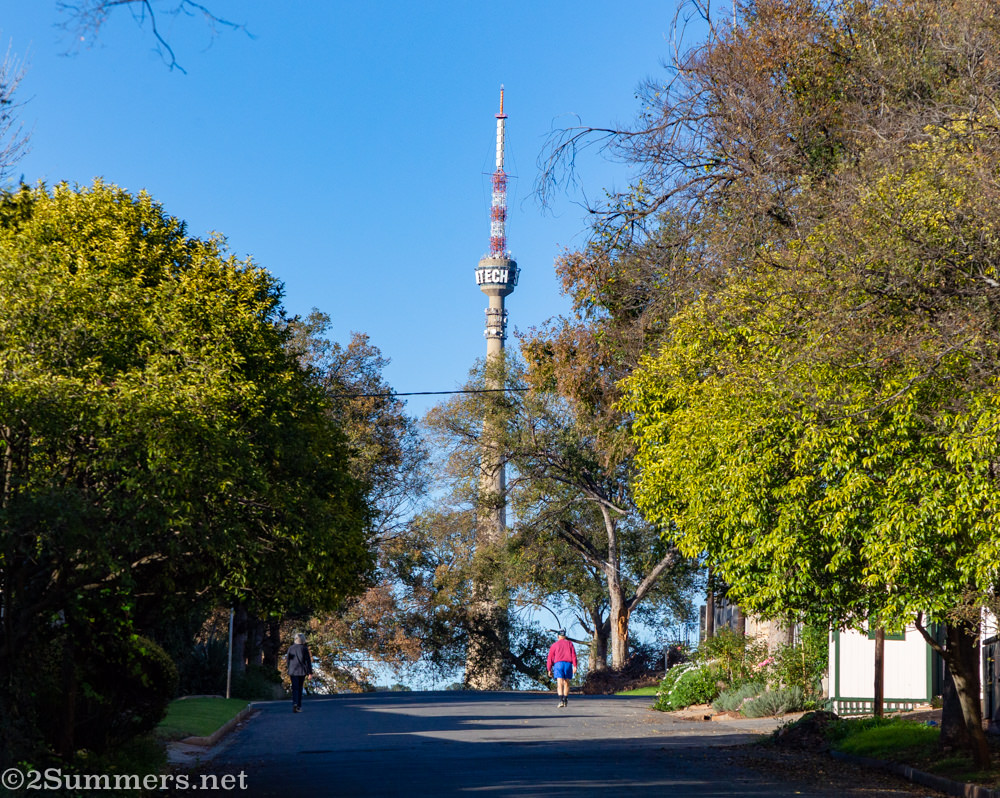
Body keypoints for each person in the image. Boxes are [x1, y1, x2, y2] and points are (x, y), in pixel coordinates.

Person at [546, 629, 577, 708]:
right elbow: (573, 655)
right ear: (565, 636)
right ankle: (565, 699)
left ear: (558, 636)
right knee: (566, 682)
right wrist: (575, 666)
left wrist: (549, 669)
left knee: (559, 683)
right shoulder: (570, 644)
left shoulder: (554, 645)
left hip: (558, 664)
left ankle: (561, 701)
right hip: (568, 664)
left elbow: (550, 658)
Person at [286, 633, 313, 713]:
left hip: (293, 670)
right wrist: (310, 672)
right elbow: (308, 661)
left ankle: (295, 703)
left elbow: (288, 660)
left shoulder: (291, 648)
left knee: (295, 688)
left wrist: (289, 668)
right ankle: (298, 705)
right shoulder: (304, 648)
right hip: (301, 671)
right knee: (300, 688)